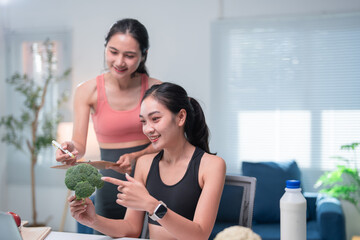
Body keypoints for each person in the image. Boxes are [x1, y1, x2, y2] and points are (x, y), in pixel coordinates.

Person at [69, 82, 227, 239]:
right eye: (143, 121)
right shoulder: (145, 164)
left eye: (155, 119)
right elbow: (131, 228)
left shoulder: (212, 165)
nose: (147, 129)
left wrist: (152, 206)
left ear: (180, 117)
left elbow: (199, 236)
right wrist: (93, 220)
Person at [55, 18, 161, 222]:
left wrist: (137, 155)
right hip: (109, 189)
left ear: (143, 55)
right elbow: (79, 146)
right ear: (105, 48)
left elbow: (171, 140)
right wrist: (69, 148)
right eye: (113, 52)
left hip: (153, 186)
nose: (120, 62)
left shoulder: (156, 90)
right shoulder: (87, 91)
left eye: (129, 56)